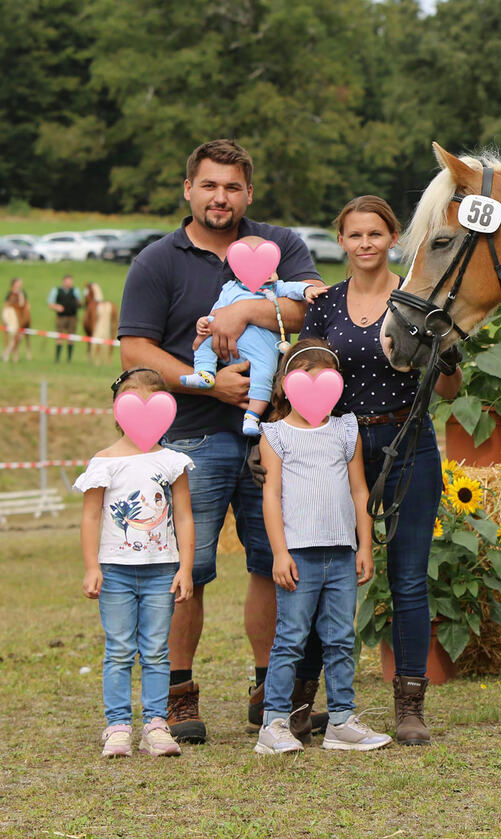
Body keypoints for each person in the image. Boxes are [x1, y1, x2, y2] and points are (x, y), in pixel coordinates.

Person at [116, 138, 323, 744]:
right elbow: (136, 350)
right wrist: (209, 384)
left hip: (275, 439)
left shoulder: (280, 245)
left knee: (273, 565)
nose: (220, 197)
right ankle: (178, 696)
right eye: (209, 185)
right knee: (186, 571)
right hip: (189, 439)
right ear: (188, 189)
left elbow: (313, 312)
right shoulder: (158, 260)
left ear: (249, 194)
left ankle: (272, 690)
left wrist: (242, 315)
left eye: (232, 187)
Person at [299, 194, 459, 745]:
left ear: (394, 239)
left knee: (408, 576)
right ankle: (302, 699)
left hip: (407, 442)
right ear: (341, 242)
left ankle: (410, 705)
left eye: (375, 234)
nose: (365, 244)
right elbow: (303, 380)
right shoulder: (323, 307)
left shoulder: (417, 302)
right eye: (354, 235)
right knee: (323, 574)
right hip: (338, 450)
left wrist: (446, 354)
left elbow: (450, 388)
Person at [255, 339, 392, 754]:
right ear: (285, 386)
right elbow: (271, 495)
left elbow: (358, 490)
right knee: (291, 638)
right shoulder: (275, 435)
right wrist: (280, 552)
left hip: (341, 553)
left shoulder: (344, 429)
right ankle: (273, 723)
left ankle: (342, 721)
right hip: (298, 555)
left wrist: (364, 545)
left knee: (340, 638)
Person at [74, 368, 195, 757]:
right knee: (120, 649)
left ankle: (157, 725)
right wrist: (92, 566)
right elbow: (91, 516)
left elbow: (185, 516)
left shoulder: (173, 461)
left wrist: (186, 567)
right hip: (116, 573)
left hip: (163, 570)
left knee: (158, 650)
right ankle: (118, 726)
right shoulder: (104, 462)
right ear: (119, 410)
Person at [181, 235, 325, 436]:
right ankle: (205, 372)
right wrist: (204, 323)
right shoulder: (229, 289)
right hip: (228, 346)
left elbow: (294, 288)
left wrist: (308, 289)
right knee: (206, 336)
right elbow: (216, 313)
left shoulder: (275, 288)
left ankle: (252, 417)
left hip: (261, 349)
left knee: (264, 374)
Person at [47, 274, 82, 362]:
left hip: (72, 317)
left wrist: (78, 303)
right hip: (61, 317)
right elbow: (50, 303)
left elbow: (80, 302)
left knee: (71, 337)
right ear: (64, 282)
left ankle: (69, 359)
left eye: (71, 282)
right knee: (59, 337)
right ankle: (57, 358)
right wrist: (57, 307)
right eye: (68, 282)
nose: (70, 284)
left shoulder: (75, 291)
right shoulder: (56, 290)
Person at [3, 277, 32, 362]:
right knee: (14, 336)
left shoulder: (22, 293)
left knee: (19, 336)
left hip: (21, 317)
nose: (20, 284)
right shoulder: (11, 293)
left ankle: (8, 353)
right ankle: (9, 354)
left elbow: (25, 304)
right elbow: (7, 305)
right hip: (13, 318)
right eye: (18, 282)